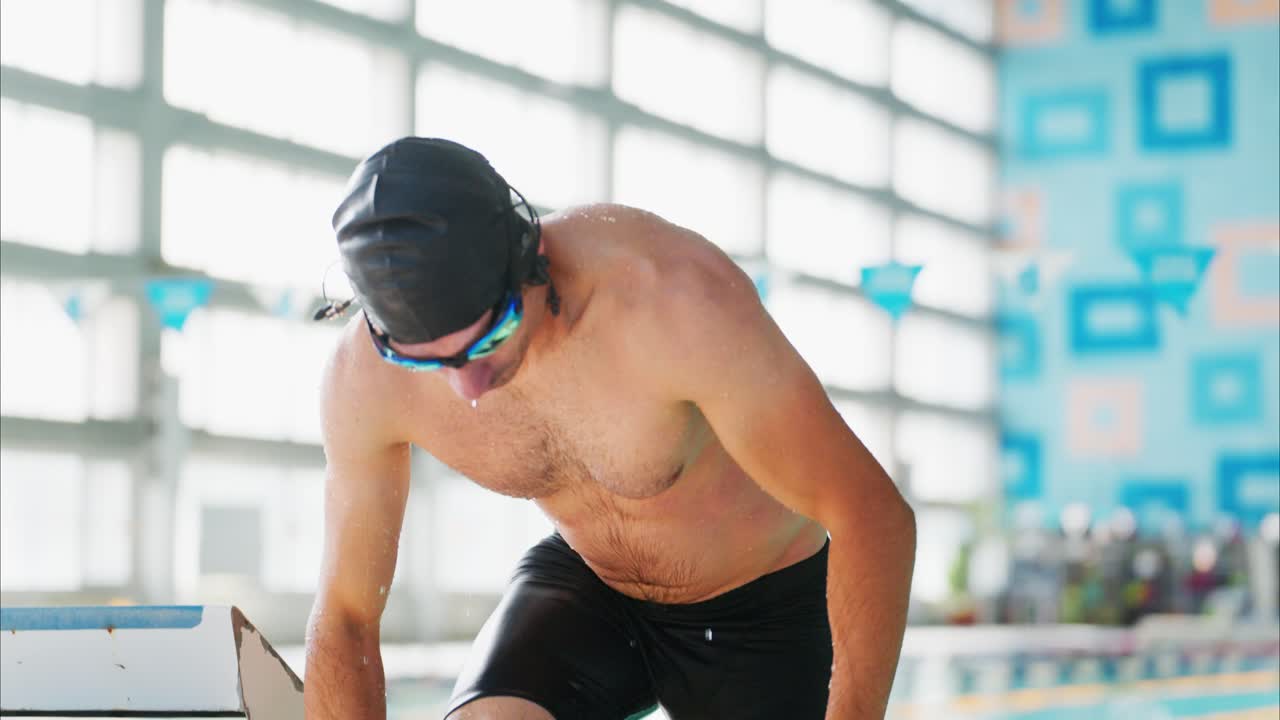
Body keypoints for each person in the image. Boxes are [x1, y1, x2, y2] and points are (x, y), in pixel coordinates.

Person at [303, 137, 916, 720]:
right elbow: (347, 615)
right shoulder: (365, 378)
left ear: (531, 258)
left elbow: (871, 512)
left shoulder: (670, 298)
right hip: (588, 585)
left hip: (763, 605)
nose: (469, 386)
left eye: (488, 340)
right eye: (427, 362)